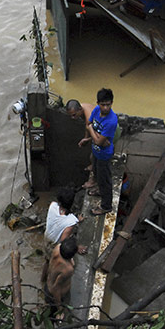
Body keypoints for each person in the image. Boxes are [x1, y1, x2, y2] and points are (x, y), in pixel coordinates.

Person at [80, 88, 118, 216]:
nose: (106, 108)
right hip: (96, 152)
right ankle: (99, 190)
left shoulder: (111, 121)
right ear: (98, 103)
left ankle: (106, 206)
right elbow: (90, 125)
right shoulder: (96, 111)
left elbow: (97, 139)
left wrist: (93, 131)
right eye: (103, 104)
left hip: (104, 155)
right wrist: (96, 136)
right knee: (95, 171)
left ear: (112, 103)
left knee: (105, 181)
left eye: (108, 104)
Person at [41, 237, 78, 311]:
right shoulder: (68, 270)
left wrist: (42, 279)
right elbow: (56, 288)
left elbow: (47, 263)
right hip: (54, 295)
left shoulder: (57, 249)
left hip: (48, 284)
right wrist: (59, 308)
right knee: (52, 313)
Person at [66, 99, 97, 188]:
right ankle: (93, 166)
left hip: (110, 133)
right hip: (98, 130)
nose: (73, 118)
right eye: (71, 116)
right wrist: (86, 137)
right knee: (93, 157)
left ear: (79, 109)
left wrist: (88, 139)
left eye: (74, 115)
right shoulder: (83, 107)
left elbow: (100, 137)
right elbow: (87, 127)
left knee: (95, 157)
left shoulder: (90, 118)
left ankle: (93, 181)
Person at [45, 188, 87, 254]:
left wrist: (76, 220)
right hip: (54, 245)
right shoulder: (71, 221)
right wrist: (77, 248)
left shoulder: (52, 205)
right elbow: (63, 242)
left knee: (47, 255)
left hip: (47, 236)